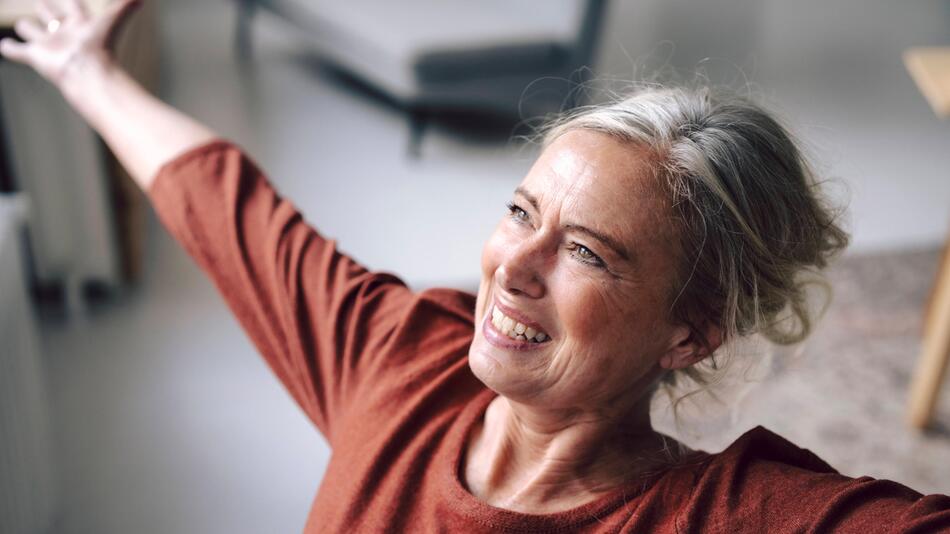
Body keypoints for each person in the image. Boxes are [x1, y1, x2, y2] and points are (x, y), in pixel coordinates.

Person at [4, 1, 950, 532]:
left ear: (690, 330)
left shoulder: (733, 517)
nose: (514, 266)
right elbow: (234, 210)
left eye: (587, 253)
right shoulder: (400, 361)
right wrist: (85, 69)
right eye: (520, 212)